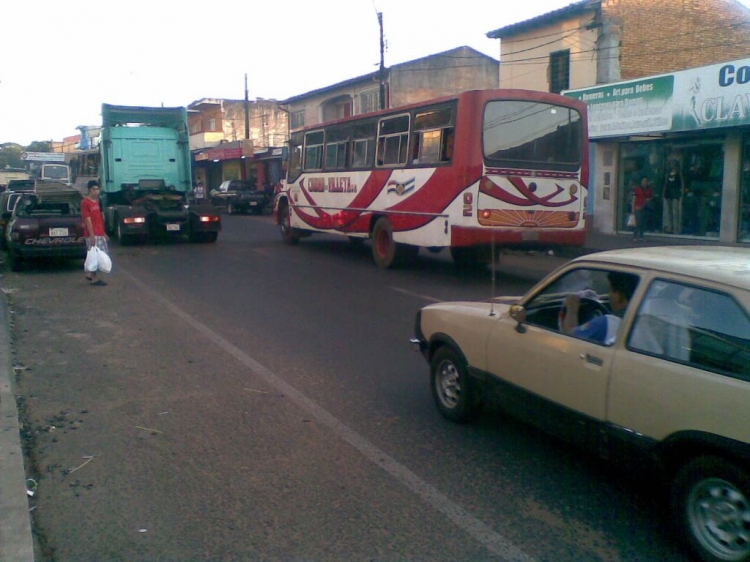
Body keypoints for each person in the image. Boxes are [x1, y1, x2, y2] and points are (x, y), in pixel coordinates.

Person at [561, 271, 639, 345]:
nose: (609, 295)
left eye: (610, 290)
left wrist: (572, 310)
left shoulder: (605, 323)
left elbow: (569, 338)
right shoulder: (643, 323)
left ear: (618, 296)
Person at [81, 180, 109, 286]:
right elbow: (87, 219)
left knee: (99, 254)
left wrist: (104, 233)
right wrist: (92, 235)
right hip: (92, 234)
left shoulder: (98, 202)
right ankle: (94, 277)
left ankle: (90, 274)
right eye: (93, 189)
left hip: (99, 232)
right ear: (89, 190)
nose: (95, 191)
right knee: (95, 255)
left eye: (97, 189)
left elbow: (100, 219)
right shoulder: (85, 202)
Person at [663, 160, 683, 233]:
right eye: (671, 164)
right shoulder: (668, 173)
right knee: (669, 210)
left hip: (675, 191)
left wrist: (682, 192)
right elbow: (666, 183)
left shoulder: (678, 173)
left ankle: (677, 227)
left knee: (676, 210)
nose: (672, 165)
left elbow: (681, 183)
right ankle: (671, 226)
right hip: (668, 191)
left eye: (673, 164)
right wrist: (664, 193)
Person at [632, 177, 654, 241]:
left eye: (646, 181)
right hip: (638, 206)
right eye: (643, 181)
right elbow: (634, 198)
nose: (644, 182)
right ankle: (635, 236)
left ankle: (641, 236)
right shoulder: (637, 189)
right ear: (641, 182)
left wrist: (649, 199)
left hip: (645, 207)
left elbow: (651, 197)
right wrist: (633, 208)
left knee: (643, 222)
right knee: (637, 222)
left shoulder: (649, 189)